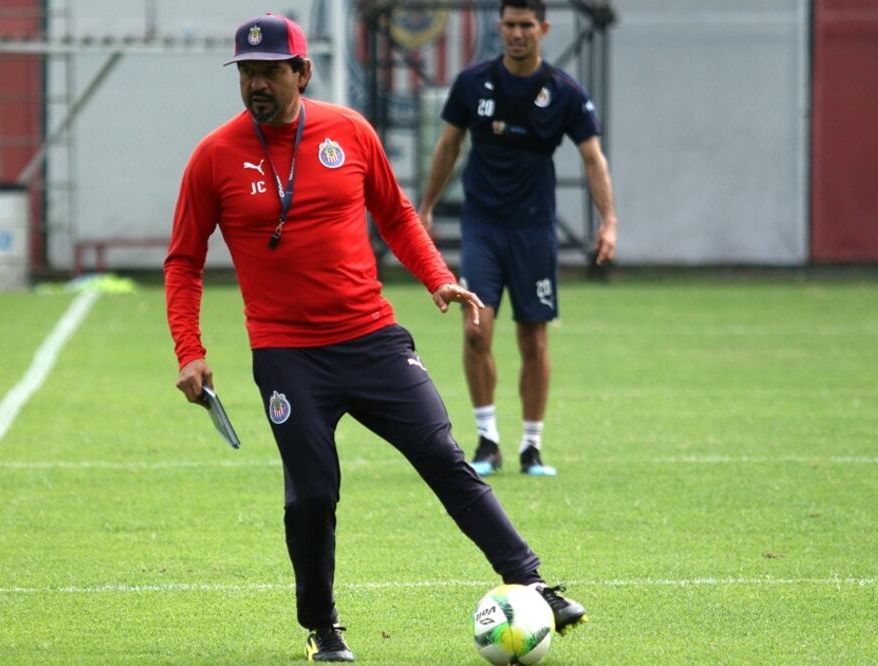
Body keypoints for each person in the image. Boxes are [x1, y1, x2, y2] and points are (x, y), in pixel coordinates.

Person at [165, 12, 586, 663]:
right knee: (313, 494)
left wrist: (437, 279)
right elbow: (184, 260)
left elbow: (395, 214)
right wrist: (189, 351)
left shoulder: (348, 133)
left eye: (270, 71)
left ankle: (532, 582)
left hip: (371, 341)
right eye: (246, 71)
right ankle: (323, 627)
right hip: (287, 357)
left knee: (446, 459)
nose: (256, 83)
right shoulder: (213, 156)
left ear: (300, 73)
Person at [418, 0, 618, 478]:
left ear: (543, 29)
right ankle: (488, 440)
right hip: (483, 227)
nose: (517, 33)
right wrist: (424, 207)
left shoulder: (564, 92)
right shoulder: (473, 84)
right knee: (475, 330)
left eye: (527, 25)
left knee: (533, 338)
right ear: (501, 28)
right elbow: (449, 145)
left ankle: (532, 446)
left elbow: (593, 159)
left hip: (533, 231)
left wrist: (608, 221)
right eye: (509, 24)